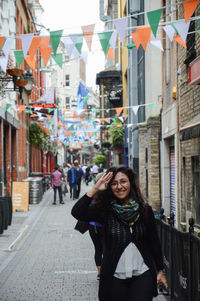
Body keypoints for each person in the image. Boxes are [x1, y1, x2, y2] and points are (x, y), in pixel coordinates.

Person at [71, 166, 168, 301]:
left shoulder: (145, 211)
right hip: (114, 276)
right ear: (109, 187)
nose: (119, 186)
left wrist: (160, 270)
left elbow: (154, 242)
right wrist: (96, 188)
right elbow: (77, 212)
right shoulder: (105, 211)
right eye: (114, 183)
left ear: (130, 183)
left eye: (123, 181)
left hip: (142, 274)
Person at [88, 172, 105, 280]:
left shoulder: (91, 194)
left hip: (92, 226)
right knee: (105, 249)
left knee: (98, 249)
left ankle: (99, 271)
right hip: (102, 227)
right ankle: (104, 271)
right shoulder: (107, 196)